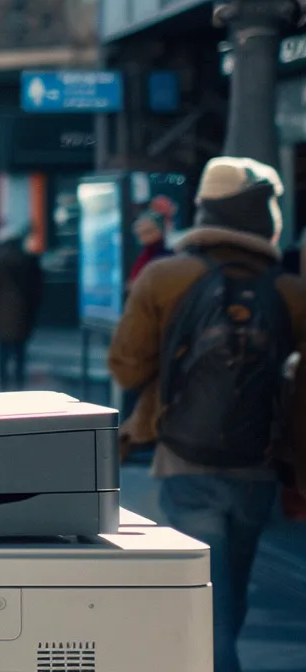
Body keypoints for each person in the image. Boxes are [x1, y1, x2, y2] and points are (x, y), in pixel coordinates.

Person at [108, 157, 306, 672]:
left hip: (185, 459)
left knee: (203, 598)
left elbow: (126, 367)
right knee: (233, 591)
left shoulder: (164, 277)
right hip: (258, 466)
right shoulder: (292, 292)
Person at [0, 230, 45, 391]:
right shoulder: (28, 262)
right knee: (20, 357)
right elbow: (37, 292)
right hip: (22, 319)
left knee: (1, 360)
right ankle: (19, 388)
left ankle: (2, 389)